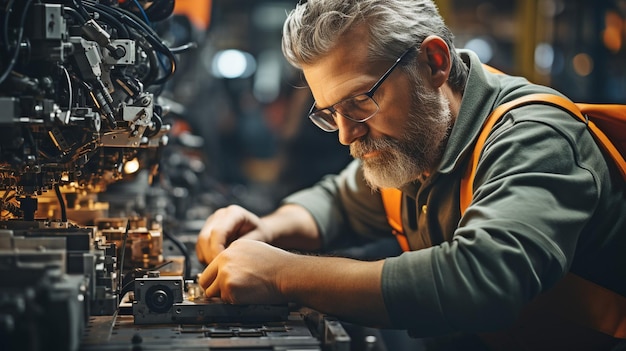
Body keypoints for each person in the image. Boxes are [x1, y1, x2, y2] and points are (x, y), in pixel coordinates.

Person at [195, 0, 626, 350]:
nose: (346, 134)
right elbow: (338, 200)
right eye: (330, 114)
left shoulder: (533, 139)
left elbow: (481, 281)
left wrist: (283, 274)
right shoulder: (421, 139)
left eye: (360, 102)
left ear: (434, 62)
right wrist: (263, 230)